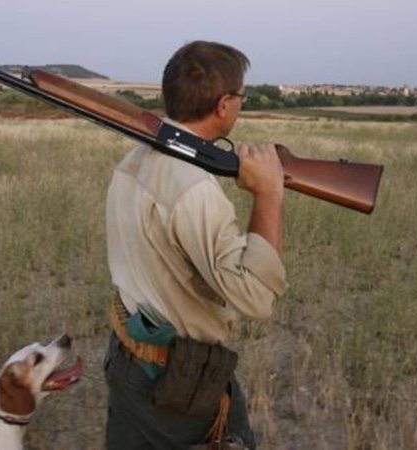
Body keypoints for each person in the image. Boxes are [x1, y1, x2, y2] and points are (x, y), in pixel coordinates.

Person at [103, 40, 288, 450]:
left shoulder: (133, 160)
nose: (241, 105)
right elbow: (256, 298)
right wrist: (269, 194)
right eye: (242, 97)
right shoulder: (194, 188)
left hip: (129, 354)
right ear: (224, 105)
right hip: (178, 382)